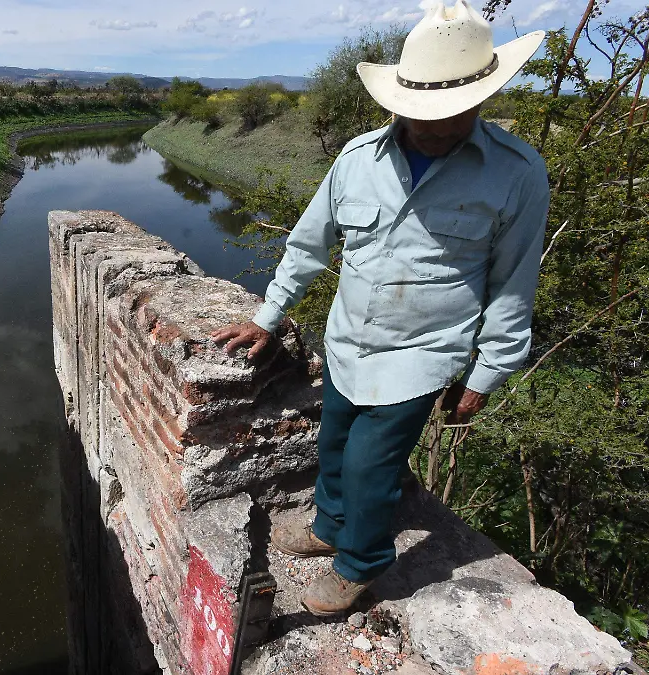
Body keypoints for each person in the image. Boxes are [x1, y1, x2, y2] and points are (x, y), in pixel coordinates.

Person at [210, 0, 550, 617]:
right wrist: (268, 317)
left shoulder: (517, 175)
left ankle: (360, 563)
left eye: (445, 114)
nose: (428, 126)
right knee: (334, 444)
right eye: (417, 111)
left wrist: (487, 373)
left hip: (421, 354)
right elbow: (308, 246)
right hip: (346, 341)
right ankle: (328, 527)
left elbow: (512, 282)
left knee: (371, 464)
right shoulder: (357, 159)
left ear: (480, 99)